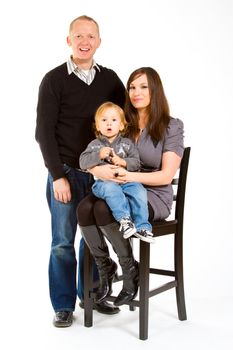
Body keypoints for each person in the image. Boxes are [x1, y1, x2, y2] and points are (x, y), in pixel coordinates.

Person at [35, 15, 126, 327]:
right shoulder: (54, 80)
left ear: (99, 41)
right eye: (79, 36)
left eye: (91, 36)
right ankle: (63, 305)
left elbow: (122, 127)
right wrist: (57, 174)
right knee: (62, 241)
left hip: (99, 175)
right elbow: (43, 132)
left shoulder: (112, 80)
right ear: (69, 40)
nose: (85, 41)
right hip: (65, 173)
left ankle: (91, 297)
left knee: (93, 240)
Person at [77, 67, 184, 307]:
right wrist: (96, 169)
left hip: (151, 194)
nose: (136, 92)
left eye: (143, 86)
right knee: (84, 208)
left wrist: (128, 175)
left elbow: (166, 176)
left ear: (155, 90)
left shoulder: (171, 126)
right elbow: (93, 156)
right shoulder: (121, 123)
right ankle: (106, 268)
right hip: (116, 186)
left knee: (103, 210)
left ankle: (129, 271)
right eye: (132, 87)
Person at [79, 101, 154, 245]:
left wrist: (124, 162)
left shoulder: (127, 143)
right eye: (104, 120)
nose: (109, 124)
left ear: (121, 125)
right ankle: (125, 221)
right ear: (98, 126)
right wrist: (98, 155)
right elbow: (83, 162)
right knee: (111, 189)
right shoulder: (95, 145)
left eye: (114, 120)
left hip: (126, 182)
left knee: (139, 191)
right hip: (103, 184)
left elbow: (137, 163)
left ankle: (142, 226)